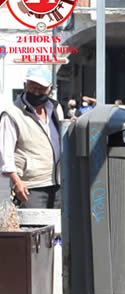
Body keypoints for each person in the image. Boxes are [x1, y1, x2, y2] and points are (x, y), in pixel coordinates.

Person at [0, 66, 63, 209]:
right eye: (32, 87)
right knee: (33, 222)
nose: (36, 92)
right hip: (30, 186)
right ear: (25, 85)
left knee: (58, 223)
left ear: (50, 89)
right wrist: (17, 182)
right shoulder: (12, 114)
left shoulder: (55, 108)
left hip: (58, 183)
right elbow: (5, 153)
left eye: (41, 89)